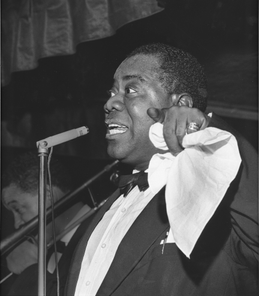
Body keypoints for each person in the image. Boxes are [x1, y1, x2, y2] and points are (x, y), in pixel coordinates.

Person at [63, 43, 258, 296]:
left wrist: (212, 132)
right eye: (112, 92)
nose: (110, 102)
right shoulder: (105, 208)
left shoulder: (223, 194)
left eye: (131, 89)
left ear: (182, 105)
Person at [1, 151, 91, 295]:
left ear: (47, 195)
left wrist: (29, 270)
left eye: (18, 209)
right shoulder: (46, 248)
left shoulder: (101, 231)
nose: (17, 224)